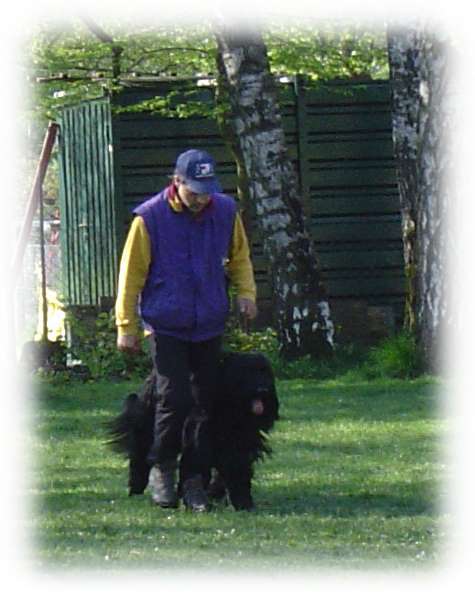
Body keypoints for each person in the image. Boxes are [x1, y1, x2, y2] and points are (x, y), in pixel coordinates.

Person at [115, 148, 257, 512]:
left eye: (207, 190)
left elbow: (239, 257)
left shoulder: (225, 212)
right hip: (166, 326)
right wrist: (126, 325)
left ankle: (194, 480)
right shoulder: (149, 219)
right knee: (174, 398)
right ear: (176, 182)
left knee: (205, 404)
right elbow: (130, 278)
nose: (201, 199)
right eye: (194, 191)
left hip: (209, 322)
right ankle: (162, 467)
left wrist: (246, 294)